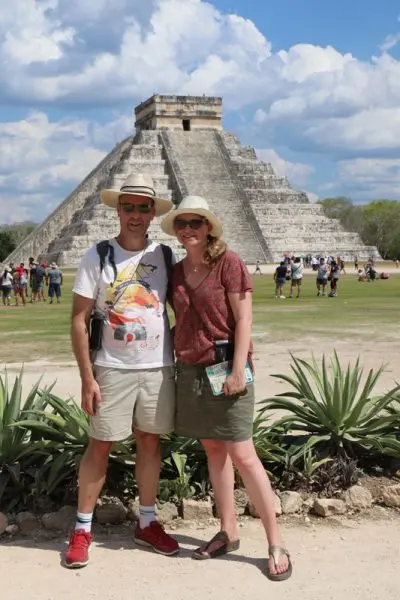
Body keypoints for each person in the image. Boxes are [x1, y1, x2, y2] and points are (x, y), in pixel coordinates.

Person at [161, 195, 292, 582]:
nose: (188, 230)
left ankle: (275, 539)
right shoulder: (177, 269)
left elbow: (244, 318)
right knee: (213, 450)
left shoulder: (228, 263)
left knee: (244, 454)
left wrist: (238, 368)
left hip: (226, 368)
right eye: (181, 224)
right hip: (191, 369)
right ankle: (228, 530)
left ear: (209, 227)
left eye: (195, 223)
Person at [65, 172, 178, 569]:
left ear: (152, 212)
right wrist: (87, 378)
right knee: (101, 444)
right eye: (127, 206)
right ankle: (82, 529)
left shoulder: (164, 256)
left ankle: (146, 522)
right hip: (111, 368)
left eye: (142, 207)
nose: (134, 214)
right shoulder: (97, 254)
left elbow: (190, 307)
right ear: (118, 210)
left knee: (150, 441)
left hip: (157, 368)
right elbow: (79, 320)